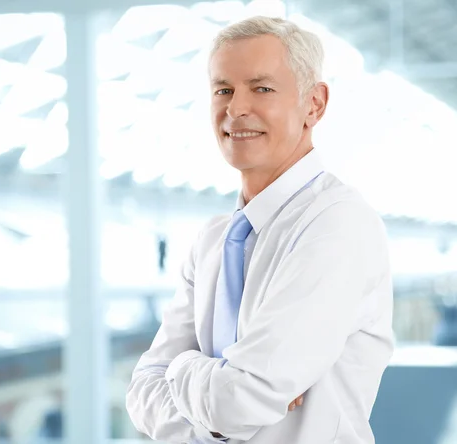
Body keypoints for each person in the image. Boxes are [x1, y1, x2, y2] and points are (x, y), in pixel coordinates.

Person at [125, 15, 394, 444]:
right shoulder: (212, 241)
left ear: (315, 104)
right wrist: (214, 395)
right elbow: (142, 394)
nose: (235, 108)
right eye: (223, 89)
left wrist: (180, 369)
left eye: (262, 88)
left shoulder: (336, 224)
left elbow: (239, 401)